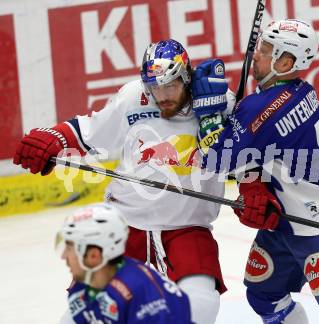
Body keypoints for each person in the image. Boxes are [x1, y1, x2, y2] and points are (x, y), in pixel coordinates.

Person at [13, 39, 234, 324]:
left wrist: (254, 188)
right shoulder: (133, 98)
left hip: (187, 227)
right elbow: (89, 131)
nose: (163, 95)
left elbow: (244, 153)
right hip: (126, 223)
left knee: (201, 307)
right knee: (85, 311)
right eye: (155, 88)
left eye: (171, 86)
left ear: (186, 76)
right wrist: (55, 138)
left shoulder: (218, 102)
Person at [193, 19, 319, 323]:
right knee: (263, 293)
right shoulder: (291, 92)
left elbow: (217, 161)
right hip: (288, 219)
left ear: (285, 62)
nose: (256, 55)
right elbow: (254, 145)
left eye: (266, 50)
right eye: (259, 47)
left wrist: (207, 114)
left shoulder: (265, 107)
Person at [56, 203, 192, 323]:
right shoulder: (81, 288)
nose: (63, 256)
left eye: (69, 249)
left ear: (93, 256)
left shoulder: (143, 297)